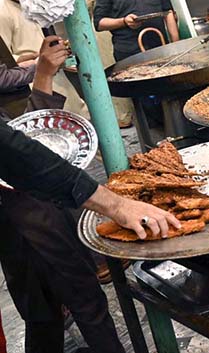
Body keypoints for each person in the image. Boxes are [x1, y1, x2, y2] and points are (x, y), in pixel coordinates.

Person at [0, 34, 181, 353]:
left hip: (27, 203)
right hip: (24, 211)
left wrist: (42, 75)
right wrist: (115, 205)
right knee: (81, 302)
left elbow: (21, 137)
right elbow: (15, 150)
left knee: (43, 312)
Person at [0, 0, 89, 119]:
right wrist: (35, 61)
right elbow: (6, 59)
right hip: (33, 80)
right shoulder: (2, 13)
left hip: (56, 71)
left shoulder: (35, 2)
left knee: (78, 115)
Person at [82, 0, 133, 128]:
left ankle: (124, 117)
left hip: (105, 29)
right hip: (129, 26)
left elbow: (86, 5)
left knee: (113, 72)